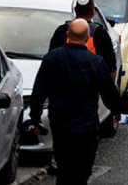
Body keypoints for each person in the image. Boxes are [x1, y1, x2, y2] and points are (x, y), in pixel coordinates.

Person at [26, 18, 120, 185]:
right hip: (87, 126)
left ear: (67, 34)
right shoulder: (95, 62)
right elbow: (109, 92)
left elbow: (39, 92)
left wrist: (35, 117)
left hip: (61, 124)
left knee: (63, 167)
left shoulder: (52, 59)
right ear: (88, 37)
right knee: (82, 170)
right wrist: (116, 111)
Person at [49, 0, 117, 81]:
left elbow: (51, 62)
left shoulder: (61, 31)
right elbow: (111, 67)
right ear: (92, 12)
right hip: (91, 88)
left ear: (75, 10)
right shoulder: (100, 34)